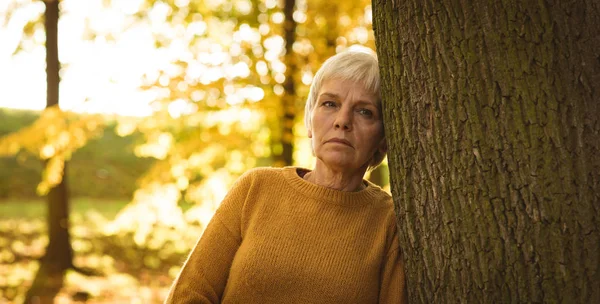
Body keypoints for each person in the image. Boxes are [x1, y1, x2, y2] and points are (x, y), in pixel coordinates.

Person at [165, 49, 407, 303]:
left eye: (364, 111)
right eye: (330, 104)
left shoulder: (389, 221)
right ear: (310, 121)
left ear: (382, 139)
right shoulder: (256, 188)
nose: (342, 120)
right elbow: (188, 294)